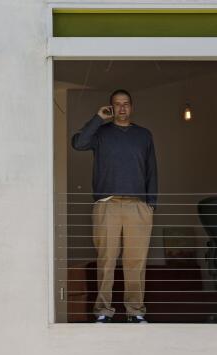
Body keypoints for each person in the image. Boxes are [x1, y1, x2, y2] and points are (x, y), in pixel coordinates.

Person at [71, 89, 158, 324]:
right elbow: (79, 143)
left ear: (132, 107)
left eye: (126, 104)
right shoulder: (101, 133)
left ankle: (135, 311)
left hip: (137, 205)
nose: (121, 108)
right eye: (116, 105)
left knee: (136, 260)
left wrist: (151, 204)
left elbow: (151, 170)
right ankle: (103, 311)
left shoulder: (143, 135)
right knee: (106, 258)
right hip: (107, 204)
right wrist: (99, 118)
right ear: (111, 107)